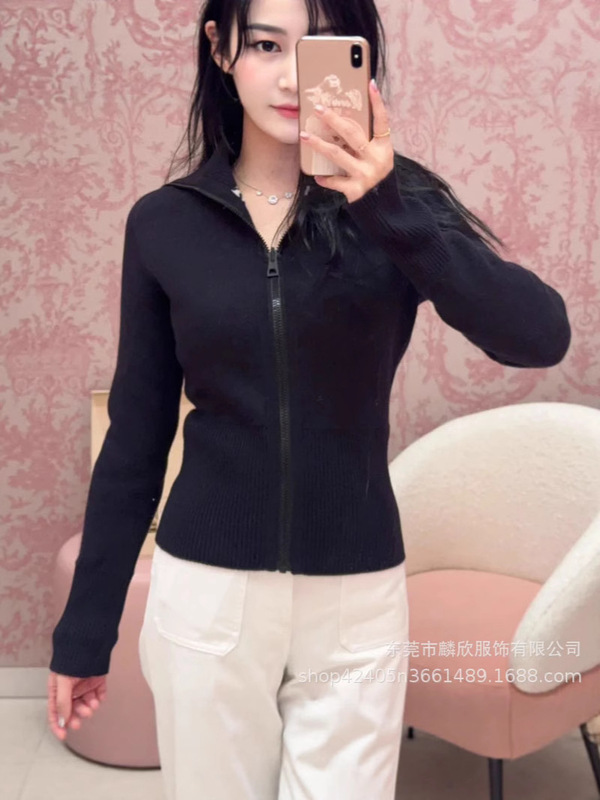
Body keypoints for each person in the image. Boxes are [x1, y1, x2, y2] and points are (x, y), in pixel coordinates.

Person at [47, 0, 572, 798]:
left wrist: (388, 208)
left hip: (356, 597)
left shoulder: (397, 207)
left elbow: (538, 336)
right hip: (209, 596)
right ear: (220, 48)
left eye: (321, 48)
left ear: (360, 58)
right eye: (266, 45)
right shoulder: (164, 224)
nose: (293, 77)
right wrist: (84, 632)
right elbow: (137, 436)